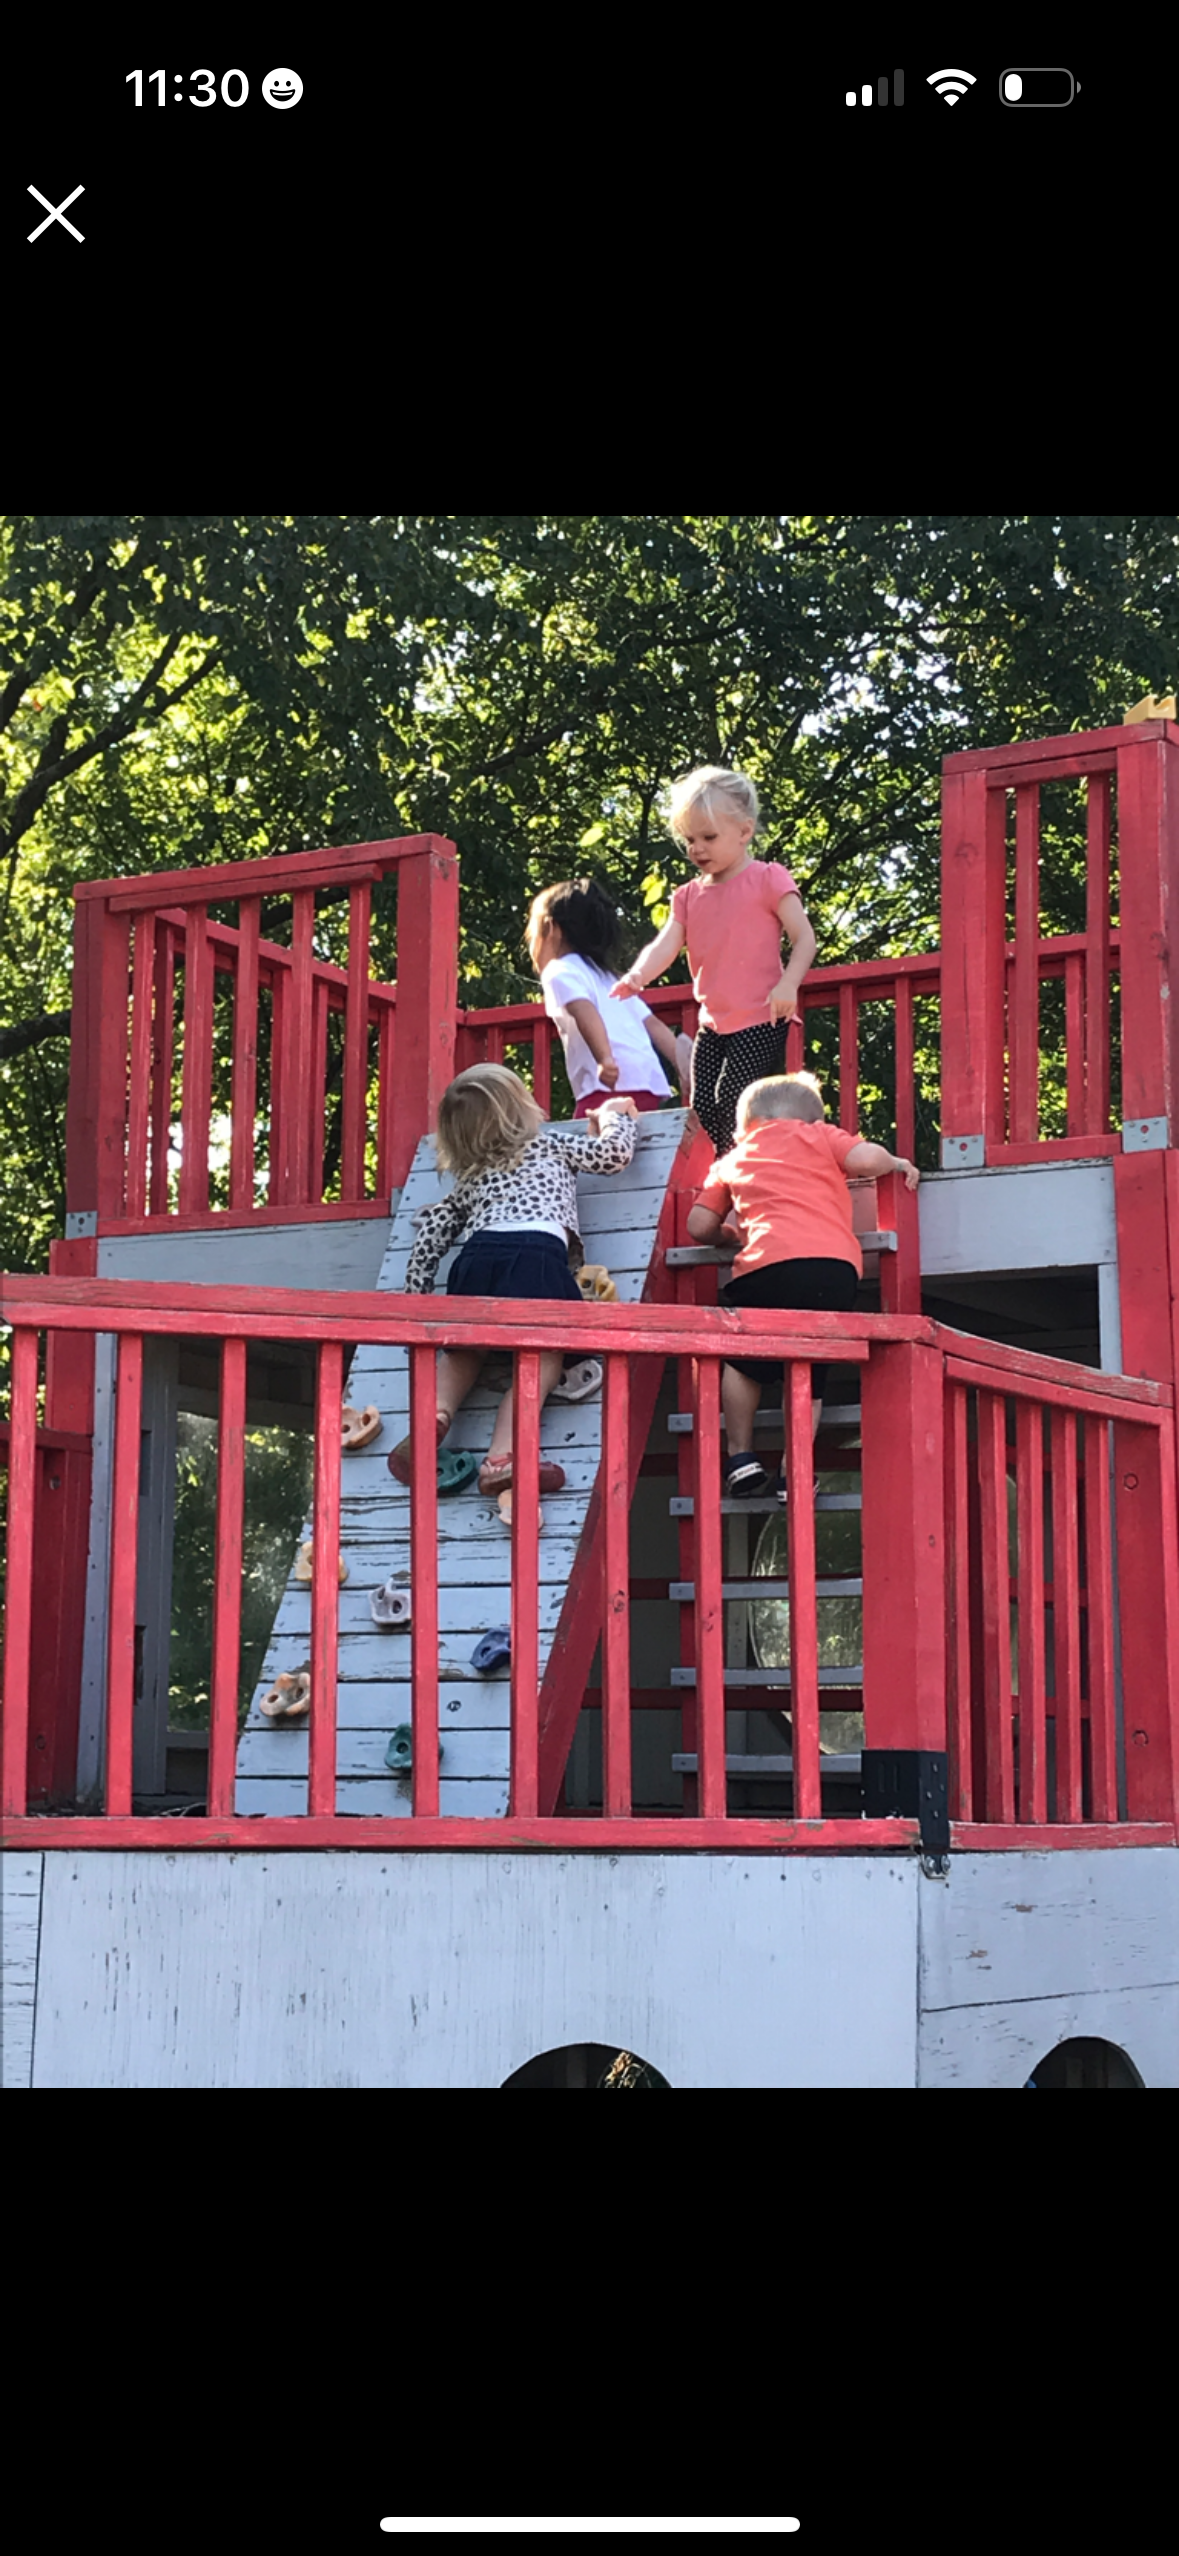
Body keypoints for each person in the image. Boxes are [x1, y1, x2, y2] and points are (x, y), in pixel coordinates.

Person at [390, 1063, 638, 1497]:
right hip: (533, 1258)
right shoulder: (549, 1144)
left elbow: (433, 1230)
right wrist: (615, 1116)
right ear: (521, 1111)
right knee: (540, 1360)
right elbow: (612, 1156)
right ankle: (502, 1459)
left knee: (464, 1355)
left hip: (475, 1261)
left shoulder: (471, 1176)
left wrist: (417, 1297)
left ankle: (430, 1421)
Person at [685, 1071, 920, 1497]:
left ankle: (740, 1455)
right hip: (828, 1268)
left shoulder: (732, 1160)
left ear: (745, 1126)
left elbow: (699, 1225)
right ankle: (794, 1470)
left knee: (743, 1361)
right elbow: (866, 1160)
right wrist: (896, 1162)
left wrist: (729, 1235)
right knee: (810, 1366)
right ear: (812, 1118)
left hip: (762, 1269)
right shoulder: (820, 1137)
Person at [610, 766, 817, 1159]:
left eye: (708, 837)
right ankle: (727, 1171)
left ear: (744, 832)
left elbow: (804, 937)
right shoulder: (688, 896)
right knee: (703, 1103)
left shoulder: (768, 879)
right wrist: (637, 976)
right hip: (714, 1021)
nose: (697, 849)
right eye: (689, 839)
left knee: (738, 1096)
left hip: (762, 1015)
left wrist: (789, 983)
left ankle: (742, 1169)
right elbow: (666, 944)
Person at [526, 877, 692, 1116]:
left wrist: (605, 1059)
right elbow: (652, 1024)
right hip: (648, 1084)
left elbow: (584, 1011)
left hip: (605, 1088)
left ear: (551, 929)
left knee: (590, 1144)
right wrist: (681, 1063)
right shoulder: (609, 978)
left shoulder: (558, 971)